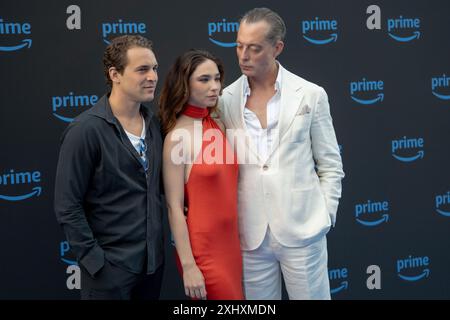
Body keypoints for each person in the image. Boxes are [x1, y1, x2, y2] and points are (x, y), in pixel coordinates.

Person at [219, 8, 345, 300]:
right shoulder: (225, 99)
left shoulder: (311, 94)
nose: (243, 56)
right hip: (250, 234)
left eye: (254, 48)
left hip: (303, 231)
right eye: (239, 46)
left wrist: (324, 215)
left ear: (277, 48)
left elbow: (330, 163)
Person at [54, 35, 165, 300]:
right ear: (115, 74)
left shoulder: (155, 126)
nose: (152, 77)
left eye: (155, 68)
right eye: (142, 69)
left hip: (152, 268)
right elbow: (67, 205)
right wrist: (96, 263)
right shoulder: (85, 130)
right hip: (109, 272)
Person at [160, 49, 243, 300]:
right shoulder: (177, 138)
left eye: (217, 79)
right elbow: (174, 207)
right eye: (204, 79)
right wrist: (188, 266)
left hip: (233, 245)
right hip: (203, 251)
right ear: (184, 84)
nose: (214, 86)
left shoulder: (218, 124)